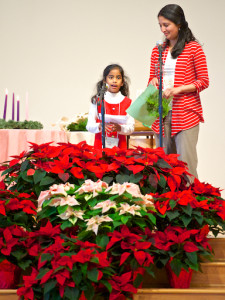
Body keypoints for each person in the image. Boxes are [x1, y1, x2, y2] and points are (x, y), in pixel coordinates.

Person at [148, 4, 209, 179]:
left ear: (179, 23)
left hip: (186, 114)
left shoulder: (193, 48)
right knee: (164, 167)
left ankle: (191, 204)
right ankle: (168, 204)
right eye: (160, 25)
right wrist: (153, 81)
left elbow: (204, 81)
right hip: (162, 112)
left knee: (186, 167)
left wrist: (179, 89)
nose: (163, 29)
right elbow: (151, 78)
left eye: (166, 25)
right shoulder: (157, 51)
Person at [86, 64, 134, 149]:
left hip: (120, 148)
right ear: (105, 81)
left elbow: (131, 128)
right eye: (111, 77)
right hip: (100, 147)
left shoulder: (128, 102)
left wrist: (120, 128)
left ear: (122, 82)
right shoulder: (97, 100)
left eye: (118, 78)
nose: (114, 81)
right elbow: (89, 126)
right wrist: (100, 126)